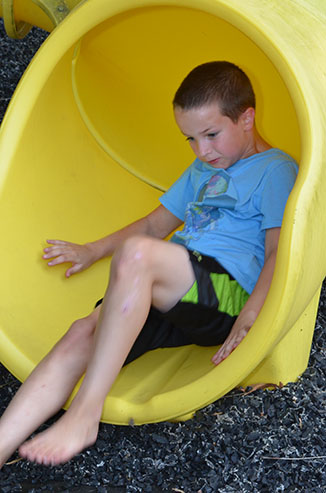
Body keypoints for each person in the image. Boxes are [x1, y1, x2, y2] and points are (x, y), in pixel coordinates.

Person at [0, 61, 298, 468]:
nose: (202, 150)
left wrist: (251, 314)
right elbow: (155, 224)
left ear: (247, 118)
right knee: (81, 332)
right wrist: (93, 249)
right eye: (191, 139)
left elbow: (281, 250)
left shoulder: (275, 169)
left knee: (139, 255)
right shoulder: (201, 169)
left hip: (225, 294)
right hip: (169, 287)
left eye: (212, 135)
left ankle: (84, 414)